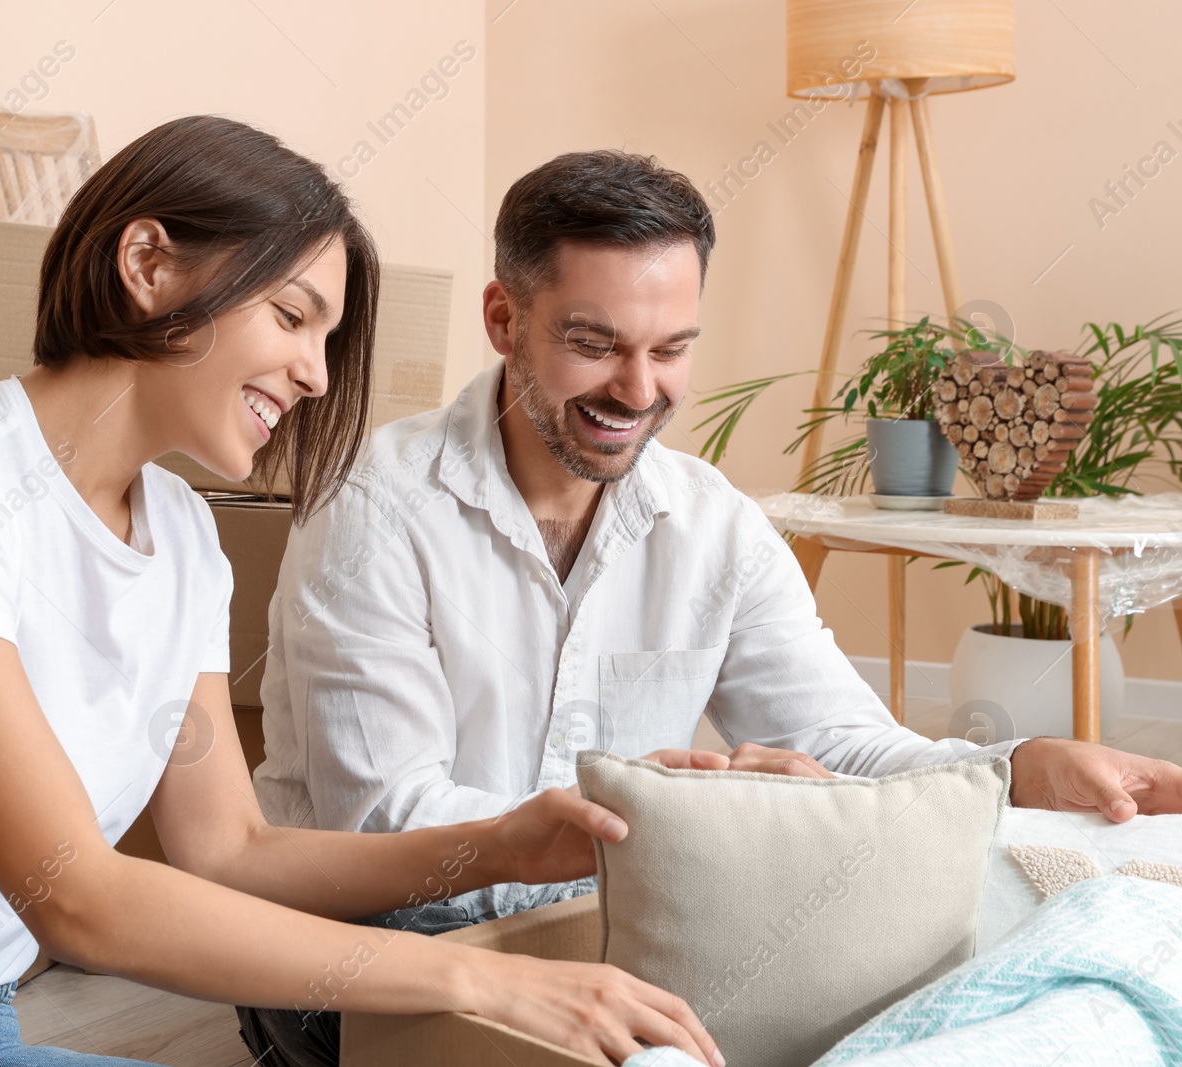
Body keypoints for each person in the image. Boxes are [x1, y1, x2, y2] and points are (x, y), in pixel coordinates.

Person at [0, 117, 724, 1067]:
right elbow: (75, 896)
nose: (318, 375)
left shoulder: (185, 538)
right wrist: (486, 977)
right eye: (292, 317)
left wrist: (503, 843)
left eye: (328, 338)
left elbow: (231, 851)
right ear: (149, 264)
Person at [240, 148, 1182, 1066]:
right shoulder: (373, 510)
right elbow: (391, 827)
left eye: (671, 349)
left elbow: (846, 742)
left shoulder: (712, 523)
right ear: (503, 318)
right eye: (594, 343)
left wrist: (1020, 766)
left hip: (603, 937)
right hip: (364, 975)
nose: (638, 391)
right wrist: (669, 823)